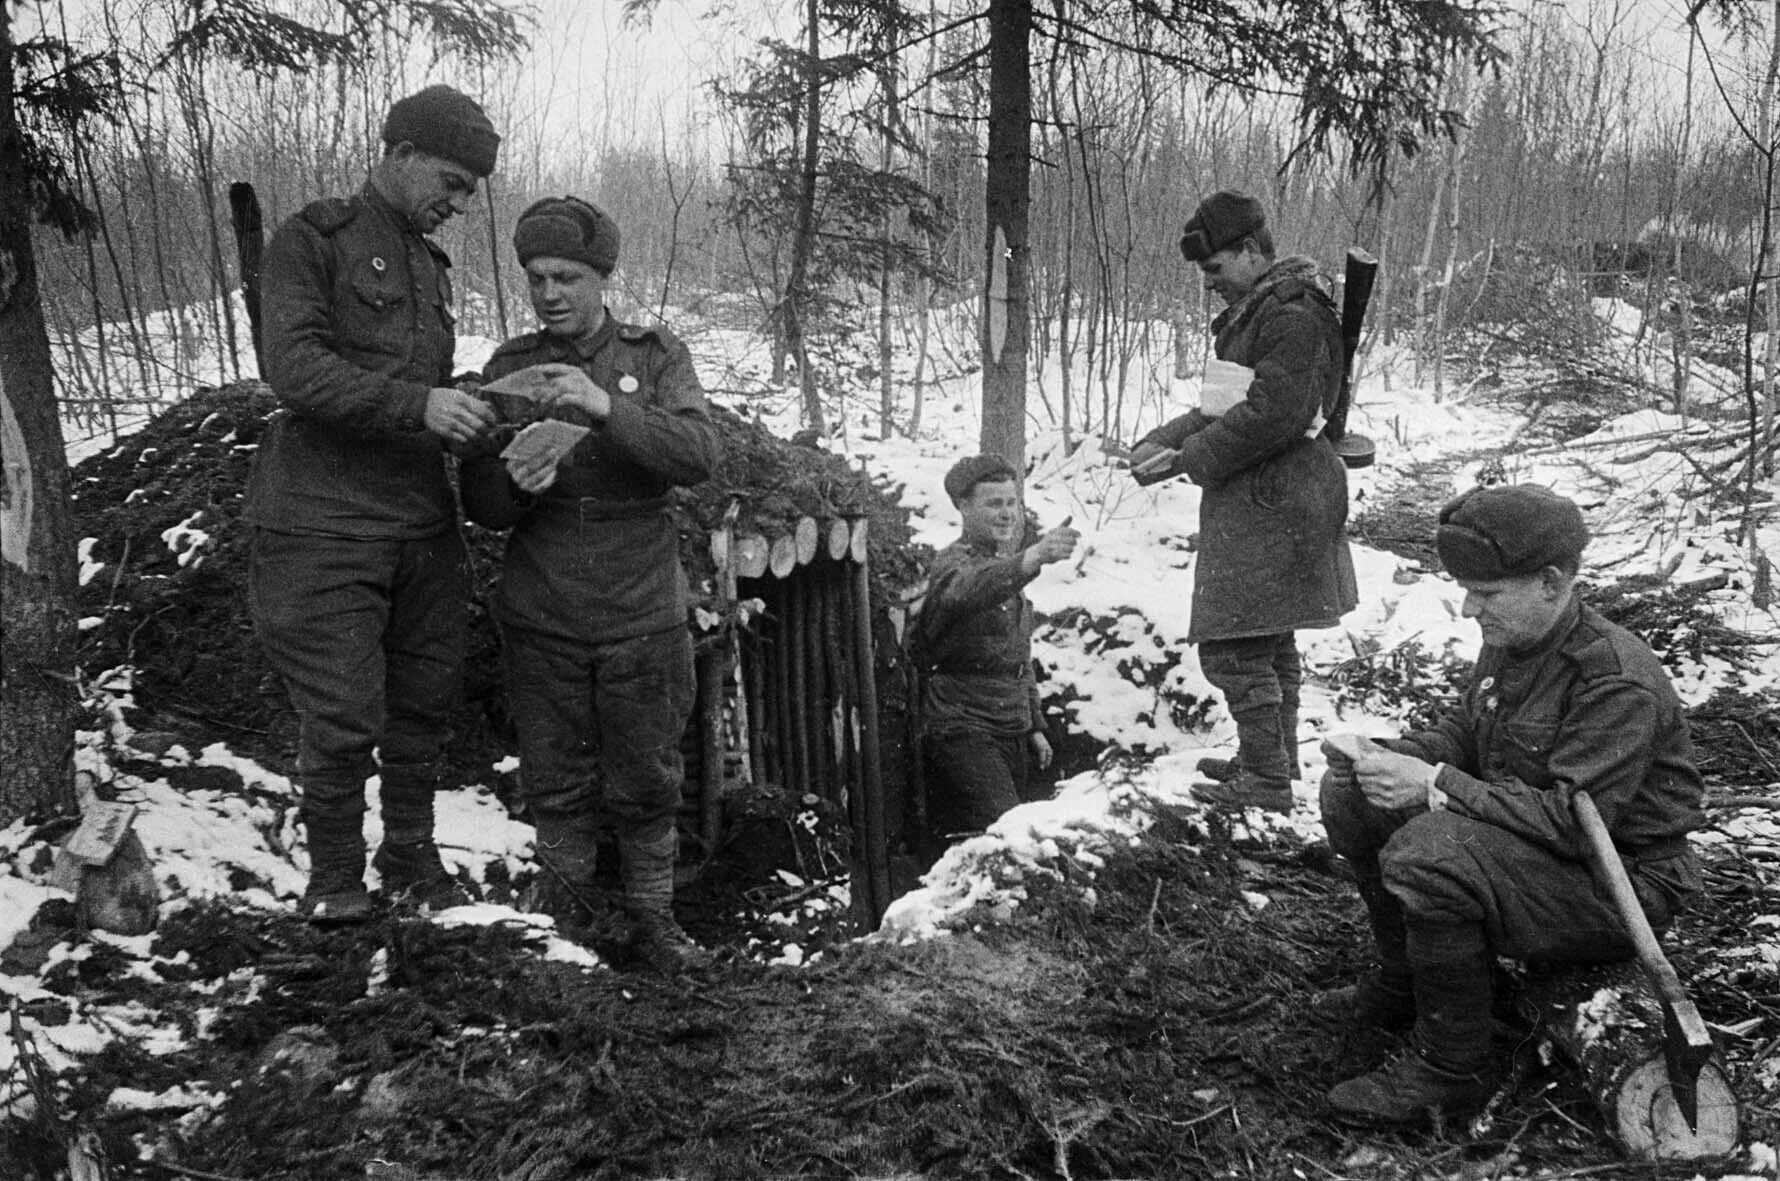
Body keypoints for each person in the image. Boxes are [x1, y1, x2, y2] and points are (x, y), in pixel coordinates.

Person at [1317, 484, 1706, 1124]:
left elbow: (1572, 822)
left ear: (1552, 582)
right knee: (1353, 795)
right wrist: (1391, 754)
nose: (1471, 609)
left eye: (1488, 594)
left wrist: (1434, 782)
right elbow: (1472, 735)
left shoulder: (1613, 676)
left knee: (1431, 851)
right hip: (1551, 862)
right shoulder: (1517, 638)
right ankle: (1408, 983)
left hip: (1623, 885)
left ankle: (1454, 1067)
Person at [245, 84, 502, 923]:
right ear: (398, 155)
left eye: (470, 191)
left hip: (421, 520)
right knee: (344, 711)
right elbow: (296, 369)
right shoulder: (309, 241)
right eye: (452, 182)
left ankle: (411, 854)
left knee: (424, 701)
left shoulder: (427, 264)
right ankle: (334, 880)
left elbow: (417, 383)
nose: (458, 205)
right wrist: (418, 407)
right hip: (325, 523)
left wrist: (467, 404)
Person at [459, 197, 722, 973]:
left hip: (640, 603)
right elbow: (484, 509)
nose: (549, 293)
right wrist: (515, 478)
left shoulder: (655, 354)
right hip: (544, 606)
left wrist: (606, 406)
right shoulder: (509, 369)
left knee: (647, 774)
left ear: (602, 278)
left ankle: (653, 923)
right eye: (536, 278)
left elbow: (699, 452)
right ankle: (565, 932)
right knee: (557, 779)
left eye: (566, 276)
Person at [1128, 190, 1358, 814]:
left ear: (1252, 253)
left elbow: (1273, 414)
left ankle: (1264, 778)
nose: (1208, 285)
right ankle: (1271, 763)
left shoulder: (1290, 315)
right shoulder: (1262, 312)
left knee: (1233, 645)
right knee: (1266, 640)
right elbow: (1224, 405)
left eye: (1215, 269)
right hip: (1270, 494)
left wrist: (1189, 457)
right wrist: (1162, 440)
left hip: (1277, 497)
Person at [906, 456, 1080, 844]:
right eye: (994, 504)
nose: (1007, 514)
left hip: (1008, 723)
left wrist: (1033, 724)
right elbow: (964, 592)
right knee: (1010, 836)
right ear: (964, 507)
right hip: (962, 725)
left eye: (1012, 503)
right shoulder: (954, 563)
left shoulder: (1004, 568)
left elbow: (1017, 658)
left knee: (1000, 837)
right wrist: (1032, 557)